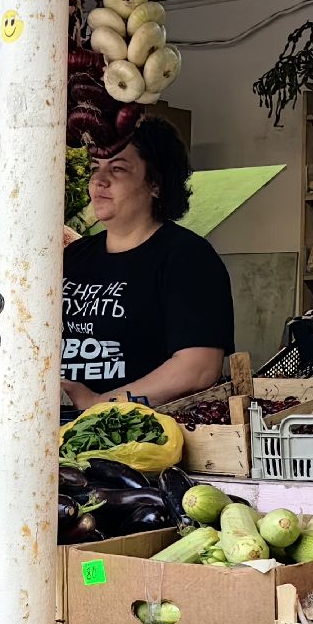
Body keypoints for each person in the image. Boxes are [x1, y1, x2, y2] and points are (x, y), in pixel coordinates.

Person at [61, 117, 234, 410]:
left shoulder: (187, 257)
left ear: (155, 183)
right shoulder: (73, 256)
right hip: (53, 429)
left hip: (143, 436)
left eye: (117, 169)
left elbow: (199, 367)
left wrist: (102, 404)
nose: (99, 181)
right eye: (95, 169)